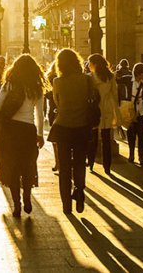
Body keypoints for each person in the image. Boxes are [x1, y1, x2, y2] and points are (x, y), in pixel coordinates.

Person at [0, 54, 46, 217]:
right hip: (28, 131)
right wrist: (40, 134)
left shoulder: (9, 84)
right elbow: (40, 114)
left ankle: (17, 205)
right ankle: (27, 197)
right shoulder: (36, 87)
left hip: (10, 131)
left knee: (12, 167)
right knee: (27, 166)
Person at [48, 48, 97, 214]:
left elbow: (57, 103)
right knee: (79, 163)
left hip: (63, 128)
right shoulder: (86, 80)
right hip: (82, 127)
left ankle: (66, 205)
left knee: (64, 166)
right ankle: (79, 191)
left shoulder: (57, 82)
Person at [87, 54, 120, 174]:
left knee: (93, 138)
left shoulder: (91, 77)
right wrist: (116, 112)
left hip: (95, 110)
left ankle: (91, 162)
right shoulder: (110, 76)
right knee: (106, 139)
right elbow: (115, 95)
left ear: (94, 64)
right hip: (107, 109)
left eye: (90, 63)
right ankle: (107, 165)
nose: (89, 65)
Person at [44, 62, 59, 173]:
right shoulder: (52, 79)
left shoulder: (50, 79)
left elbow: (46, 94)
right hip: (55, 111)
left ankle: (58, 162)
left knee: (55, 140)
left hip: (54, 111)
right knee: (56, 139)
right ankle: (59, 162)